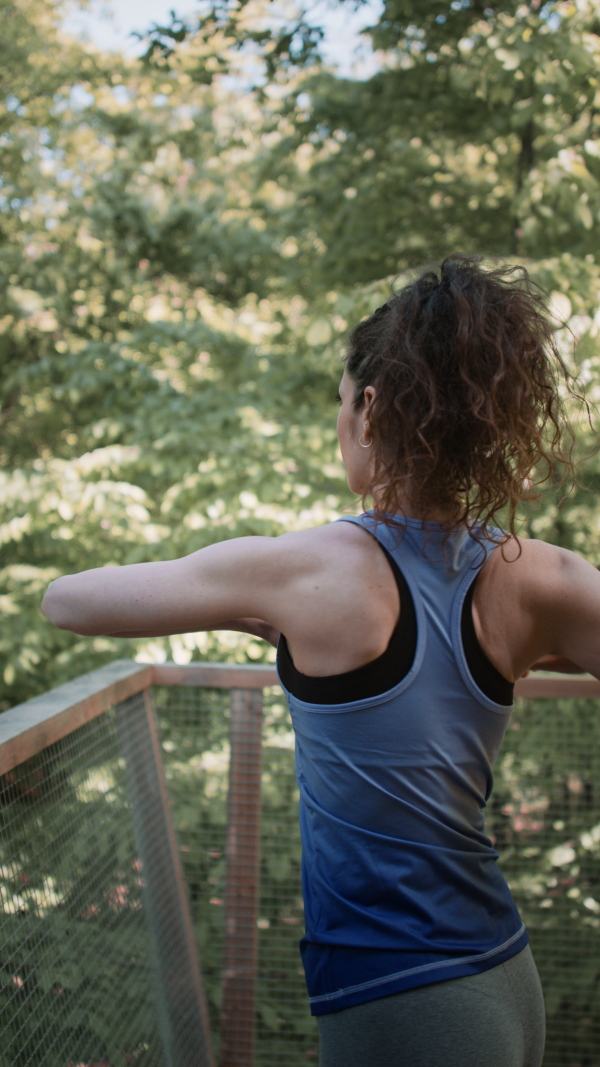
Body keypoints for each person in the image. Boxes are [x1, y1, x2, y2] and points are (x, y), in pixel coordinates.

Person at [42, 254, 600, 1067]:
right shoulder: (540, 575)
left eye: (342, 404)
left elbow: (67, 600)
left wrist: (251, 605)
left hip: (402, 999)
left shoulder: (306, 571)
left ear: (370, 409)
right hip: (505, 978)